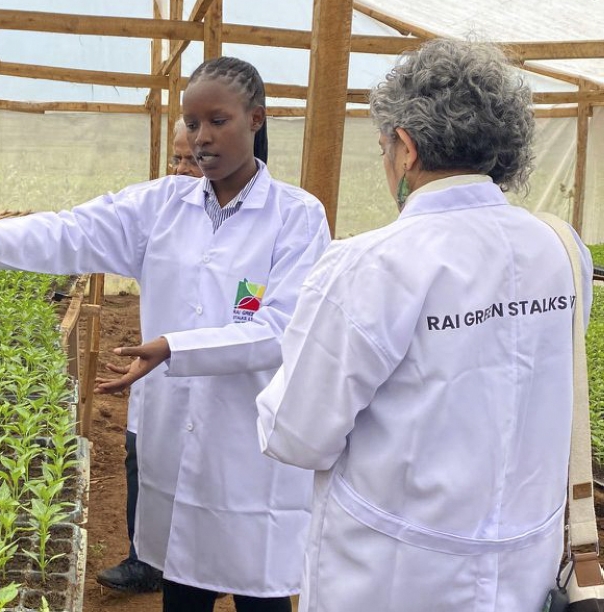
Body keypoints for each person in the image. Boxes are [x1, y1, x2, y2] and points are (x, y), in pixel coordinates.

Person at [0, 56, 330, 612]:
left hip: (247, 442)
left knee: (258, 591)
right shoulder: (160, 205)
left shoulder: (296, 216)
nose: (201, 137)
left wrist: (174, 348)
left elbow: (281, 329)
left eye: (218, 121)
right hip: (171, 434)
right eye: (193, 123)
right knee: (182, 582)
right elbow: (73, 229)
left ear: (256, 119)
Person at [254, 38, 593, 612]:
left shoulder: (369, 264)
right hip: (524, 566)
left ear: (406, 148)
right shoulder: (561, 249)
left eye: (384, 148)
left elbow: (297, 434)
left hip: (391, 575)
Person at [95, 116, 205, 595]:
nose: (181, 169)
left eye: (192, 160)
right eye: (176, 158)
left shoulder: (274, 222)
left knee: (202, 482)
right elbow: (83, 229)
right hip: (155, 381)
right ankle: (144, 561)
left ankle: (196, 567)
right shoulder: (160, 214)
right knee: (140, 460)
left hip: (212, 391)